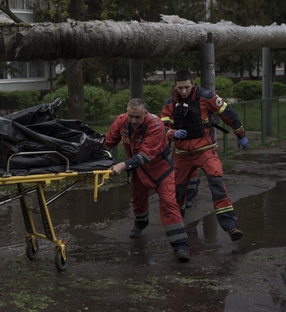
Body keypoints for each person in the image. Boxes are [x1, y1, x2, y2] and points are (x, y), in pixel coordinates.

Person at [160, 70, 249, 241]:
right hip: (182, 154)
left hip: (205, 150)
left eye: (187, 87)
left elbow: (228, 113)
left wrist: (240, 134)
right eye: (180, 88)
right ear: (175, 86)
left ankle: (231, 227)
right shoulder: (170, 103)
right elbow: (162, 126)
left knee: (216, 183)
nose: (184, 91)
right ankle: (177, 227)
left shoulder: (206, 97)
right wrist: (172, 133)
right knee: (177, 192)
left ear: (193, 83)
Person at [105, 98, 190, 262]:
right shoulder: (121, 122)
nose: (133, 120)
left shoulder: (155, 125)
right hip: (138, 170)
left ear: (146, 113)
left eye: (137, 117)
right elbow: (108, 143)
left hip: (161, 170)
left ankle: (181, 246)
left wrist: (122, 165)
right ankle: (140, 223)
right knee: (137, 203)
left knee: (168, 203)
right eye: (131, 116)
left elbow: (146, 155)